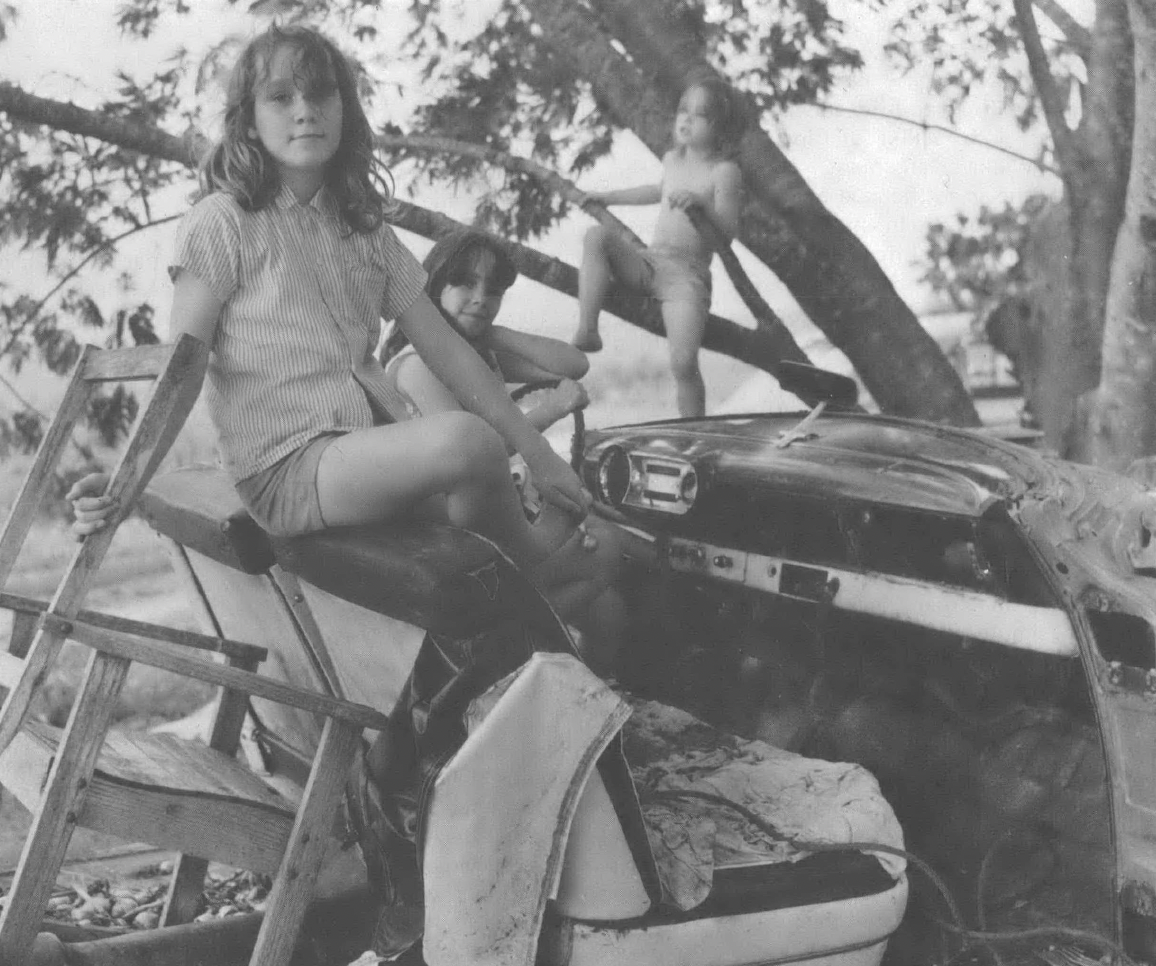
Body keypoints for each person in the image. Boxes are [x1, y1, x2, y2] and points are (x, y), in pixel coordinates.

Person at [68, 24, 600, 617]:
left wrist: (542, 453)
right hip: (286, 467)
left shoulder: (364, 229)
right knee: (469, 443)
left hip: (363, 447)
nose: (305, 112)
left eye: (321, 95)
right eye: (281, 97)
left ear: (344, 109)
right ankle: (535, 578)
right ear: (247, 119)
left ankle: (514, 604)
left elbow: (447, 350)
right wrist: (126, 483)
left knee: (564, 534)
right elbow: (183, 369)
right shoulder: (222, 222)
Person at [379, 229, 649, 668]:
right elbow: (475, 450)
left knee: (609, 610)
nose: (481, 297)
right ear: (432, 285)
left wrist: (491, 331)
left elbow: (573, 363)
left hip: (495, 509)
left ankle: (595, 689)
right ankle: (491, 651)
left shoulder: (474, 354)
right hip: (452, 525)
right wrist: (553, 408)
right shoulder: (415, 363)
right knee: (611, 549)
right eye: (465, 282)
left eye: (494, 290)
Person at [571, 70, 744, 419]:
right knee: (596, 237)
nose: (687, 120)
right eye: (684, 111)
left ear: (722, 129)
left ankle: (693, 431)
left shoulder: (725, 172)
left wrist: (702, 205)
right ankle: (588, 329)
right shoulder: (673, 160)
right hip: (651, 262)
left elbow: (727, 233)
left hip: (687, 277)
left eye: (700, 115)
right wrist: (607, 197)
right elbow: (655, 191)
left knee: (683, 363)